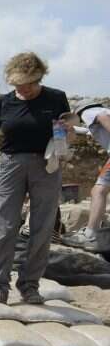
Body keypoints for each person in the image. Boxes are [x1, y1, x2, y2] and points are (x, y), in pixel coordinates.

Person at [0, 52, 71, 304]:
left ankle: (30, 285)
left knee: (42, 228)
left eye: (29, 84)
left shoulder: (56, 98)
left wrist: (63, 144)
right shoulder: (4, 103)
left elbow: (65, 130)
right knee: (6, 225)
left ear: (39, 78)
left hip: (47, 165)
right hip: (12, 165)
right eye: (19, 85)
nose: (24, 89)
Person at [64, 99, 110, 251]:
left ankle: (90, 234)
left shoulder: (89, 112)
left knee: (98, 190)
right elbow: (86, 130)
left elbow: (102, 117)